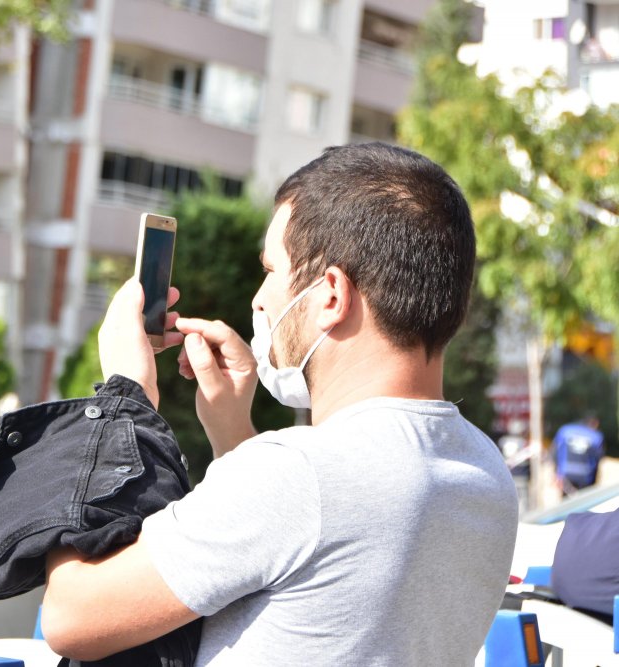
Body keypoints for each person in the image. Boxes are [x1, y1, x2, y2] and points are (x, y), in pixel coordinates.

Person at [39, 142, 519, 665]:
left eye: (271, 269)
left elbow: (70, 616)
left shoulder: (299, 475)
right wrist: (232, 429)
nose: (259, 298)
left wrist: (122, 399)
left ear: (331, 295)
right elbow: (303, 564)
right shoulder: (483, 470)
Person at [553, 415, 605, 496]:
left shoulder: (565, 430)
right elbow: (598, 458)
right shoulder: (596, 436)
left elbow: (555, 452)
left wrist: (556, 473)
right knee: (584, 504)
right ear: (595, 423)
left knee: (567, 504)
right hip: (586, 476)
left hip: (566, 474)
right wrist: (594, 482)